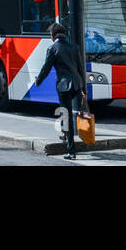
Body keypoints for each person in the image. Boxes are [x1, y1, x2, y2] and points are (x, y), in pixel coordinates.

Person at [34, 22, 85, 160]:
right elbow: (81, 68)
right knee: (66, 114)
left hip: (64, 86)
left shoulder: (53, 48)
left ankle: (71, 151)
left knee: (66, 115)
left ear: (53, 35)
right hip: (76, 84)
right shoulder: (74, 47)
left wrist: (38, 81)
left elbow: (46, 68)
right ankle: (63, 132)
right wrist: (83, 88)